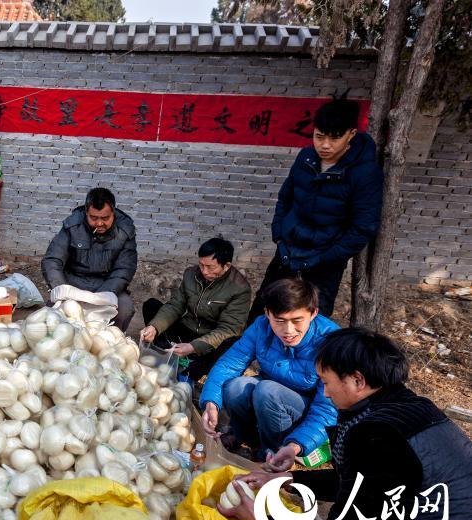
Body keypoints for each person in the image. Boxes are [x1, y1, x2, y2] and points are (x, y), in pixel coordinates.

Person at [222, 328, 472, 520]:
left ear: (357, 381)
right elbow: (364, 486)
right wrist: (290, 479)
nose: (327, 393)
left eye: (327, 382)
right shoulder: (413, 408)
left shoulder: (376, 433)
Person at [247, 98, 383, 322]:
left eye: (335, 137)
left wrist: (326, 258)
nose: (325, 145)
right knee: (263, 314)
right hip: (286, 254)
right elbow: (286, 196)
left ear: (351, 134)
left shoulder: (365, 173)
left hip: (323, 265)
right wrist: (279, 235)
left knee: (307, 324)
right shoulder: (306, 158)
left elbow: (362, 228)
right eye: (319, 136)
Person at [199, 278, 338, 465]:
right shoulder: (261, 327)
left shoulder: (330, 342)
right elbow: (229, 364)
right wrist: (211, 403)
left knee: (267, 391)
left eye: (297, 321)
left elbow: (327, 408)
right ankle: (243, 436)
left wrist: (295, 445)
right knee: (235, 387)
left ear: (313, 314)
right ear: (267, 314)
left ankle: (274, 451)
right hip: (267, 394)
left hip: (303, 409)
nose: (288, 330)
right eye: (279, 321)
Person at [139, 237, 252, 381]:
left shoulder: (239, 289)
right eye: (201, 265)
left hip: (209, 342)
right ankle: (168, 351)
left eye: (210, 267)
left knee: (233, 342)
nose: (204, 271)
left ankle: (191, 371)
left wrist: (194, 347)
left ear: (226, 266)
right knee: (151, 306)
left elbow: (228, 330)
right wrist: (154, 327)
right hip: (187, 329)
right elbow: (175, 306)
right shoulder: (191, 274)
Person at [42, 187, 138, 331]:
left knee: (125, 308)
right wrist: (62, 289)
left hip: (108, 286)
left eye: (105, 218)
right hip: (73, 283)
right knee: (53, 313)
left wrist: (100, 298)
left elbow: (124, 269)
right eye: (94, 218)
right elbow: (52, 260)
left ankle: (111, 344)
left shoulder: (125, 230)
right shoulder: (73, 225)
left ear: (113, 213)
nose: (99, 223)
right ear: (86, 212)